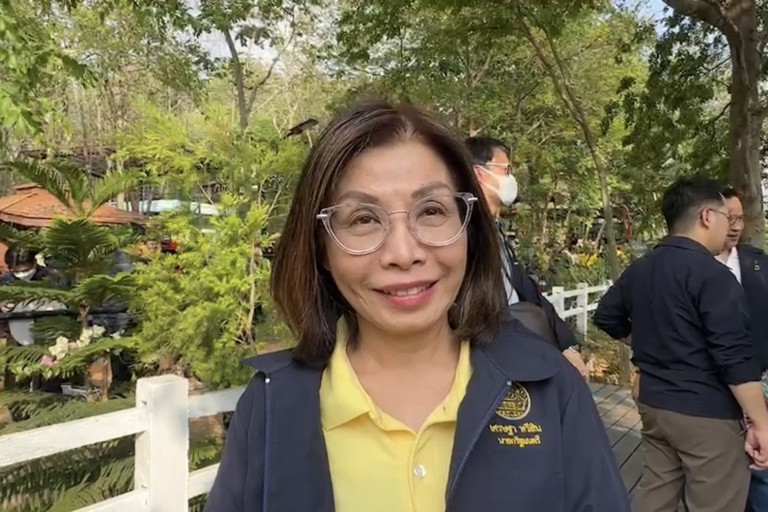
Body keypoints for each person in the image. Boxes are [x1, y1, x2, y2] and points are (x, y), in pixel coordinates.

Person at [204, 101, 629, 512]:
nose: (403, 254)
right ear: (320, 248)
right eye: (363, 219)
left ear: (469, 229)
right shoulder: (272, 406)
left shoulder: (549, 387)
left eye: (431, 211)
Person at [593, 176, 768, 512]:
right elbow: (734, 357)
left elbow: (607, 316)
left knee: (657, 494)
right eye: (726, 217)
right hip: (706, 413)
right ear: (707, 217)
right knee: (716, 501)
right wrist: (761, 422)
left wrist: (648, 341)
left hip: (655, 405)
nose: (730, 227)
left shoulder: (642, 268)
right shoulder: (713, 275)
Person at [465, 136, 588, 377]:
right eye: (505, 170)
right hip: (490, 361)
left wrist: (567, 345)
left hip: (518, 350)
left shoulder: (495, 231)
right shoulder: (463, 233)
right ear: (479, 173)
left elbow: (526, 289)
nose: (511, 178)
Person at [715, 187, 768, 512]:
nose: (736, 226)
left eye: (740, 218)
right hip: (712, 390)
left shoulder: (758, 262)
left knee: (761, 468)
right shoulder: (694, 267)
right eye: (729, 218)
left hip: (759, 382)